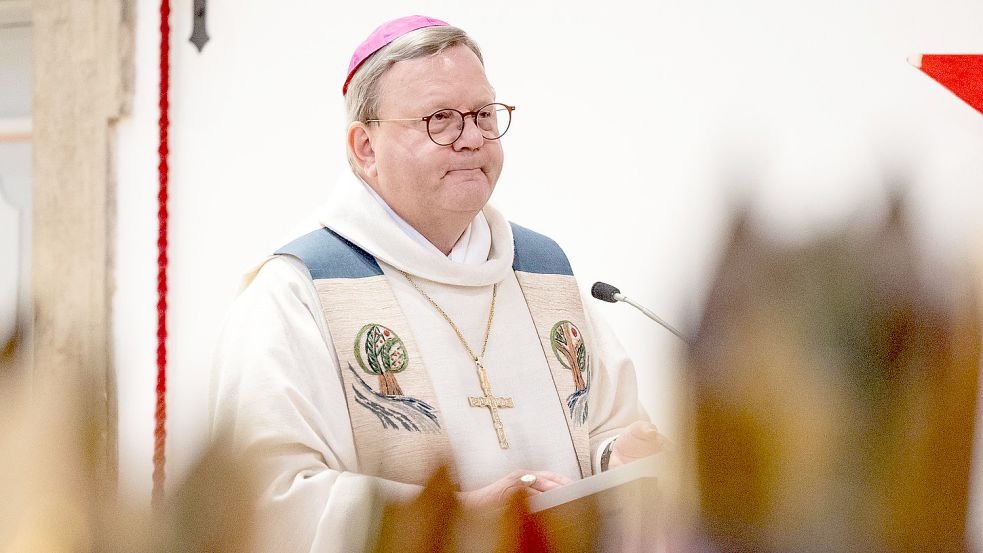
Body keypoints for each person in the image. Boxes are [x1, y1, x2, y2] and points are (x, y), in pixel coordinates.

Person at [210, 15, 664, 552]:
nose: (471, 138)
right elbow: (267, 498)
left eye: (482, 115)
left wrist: (617, 456)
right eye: (440, 119)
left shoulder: (541, 271)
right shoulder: (298, 291)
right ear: (365, 147)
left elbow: (605, 430)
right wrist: (448, 515)